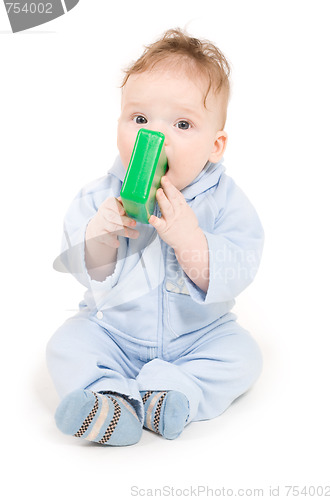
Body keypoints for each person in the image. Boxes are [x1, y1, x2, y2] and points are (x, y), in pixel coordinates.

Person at [46, 28, 264, 446]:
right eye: (140, 119)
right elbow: (82, 268)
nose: (155, 137)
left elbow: (240, 266)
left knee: (244, 356)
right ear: (119, 127)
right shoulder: (98, 196)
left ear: (215, 145)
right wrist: (99, 236)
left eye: (182, 123)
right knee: (67, 344)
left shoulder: (225, 202)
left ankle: (171, 391)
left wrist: (190, 240)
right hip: (114, 332)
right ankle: (111, 400)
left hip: (198, 338)